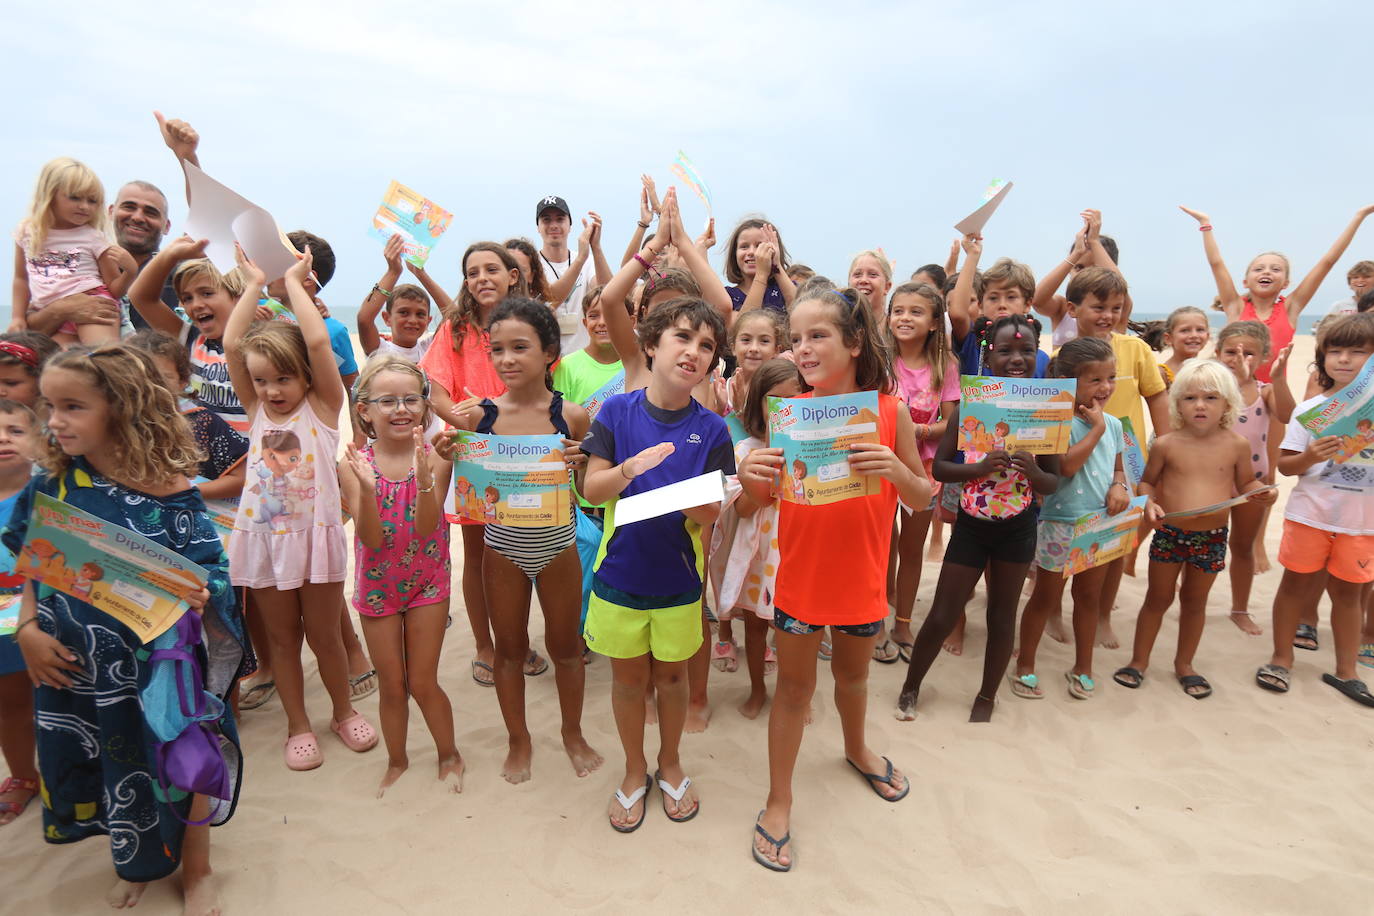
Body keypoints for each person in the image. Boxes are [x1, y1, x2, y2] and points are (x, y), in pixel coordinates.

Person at [4, 344, 247, 914]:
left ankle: (198, 871)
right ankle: (136, 861)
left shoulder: (170, 490)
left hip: (155, 671)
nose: (54, 421)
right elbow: (30, 564)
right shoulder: (52, 487)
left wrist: (202, 594)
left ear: (121, 408)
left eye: (72, 406)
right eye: (49, 406)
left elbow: (213, 577)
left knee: (178, 761)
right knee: (116, 769)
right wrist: (29, 630)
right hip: (73, 667)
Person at [739, 287, 929, 872]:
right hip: (801, 578)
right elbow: (754, 505)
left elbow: (921, 498)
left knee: (853, 678)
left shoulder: (890, 413)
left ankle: (856, 749)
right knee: (793, 691)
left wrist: (896, 467)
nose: (801, 349)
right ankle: (779, 798)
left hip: (864, 580)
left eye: (816, 336)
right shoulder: (789, 413)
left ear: (853, 341)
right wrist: (751, 472)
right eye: (795, 339)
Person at [580, 297, 732, 832]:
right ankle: (633, 768)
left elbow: (713, 508)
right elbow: (591, 488)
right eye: (682, 337)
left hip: (678, 581)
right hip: (620, 576)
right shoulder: (618, 412)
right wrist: (629, 468)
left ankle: (669, 762)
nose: (693, 351)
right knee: (627, 683)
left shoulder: (712, 430)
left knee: (673, 681)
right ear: (651, 345)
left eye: (706, 345)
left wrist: (677, 490)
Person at [224, 245, 378, 769]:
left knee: (327, 636)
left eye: (283, 379)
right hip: (264, 542)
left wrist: (291, 281)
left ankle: (341, 710)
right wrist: (250, 286)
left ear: (308, 379)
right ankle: (297, 724)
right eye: (262, 380)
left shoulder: (322, 409)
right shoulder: (256, 410)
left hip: (316, 539)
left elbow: (315, 339)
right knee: (284, 642)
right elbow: (230, 343)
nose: (272, 390)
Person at [445, 299, 602, 783]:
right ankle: (519, 739)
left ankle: (572, 733)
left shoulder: (571, 417)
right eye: (497, 350)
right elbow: (466, 482)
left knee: (566, 648)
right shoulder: (478, 419)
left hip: (558, 545)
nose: (506, 359)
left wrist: (582, 463)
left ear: (549, 351)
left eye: (520, 348)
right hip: (502, 550)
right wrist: (446, 454)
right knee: (508, 651)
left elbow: (586, 489)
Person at [897, 315, 1060, 724]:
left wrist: (1034, 473)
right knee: (942, 613)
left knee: (1002, 616)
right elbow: (941, 469)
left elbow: (1054, 480)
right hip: (971, 527)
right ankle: (912, 685)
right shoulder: (972, 406)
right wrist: (978, 469)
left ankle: (987, 696)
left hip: (1017, 529)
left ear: (1037, 354)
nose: (1016, 358)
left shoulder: (1046, 409)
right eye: (1005, 350)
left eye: (1025, 350)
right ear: (989, 356)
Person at [419, 241, 547, 685]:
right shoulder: (454, 328)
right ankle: (485, 645)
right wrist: (467, 420)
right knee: (479, 556)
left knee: (522, 553)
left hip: (527, 449)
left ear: (513, 274)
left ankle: (517, 641)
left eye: (491, 269)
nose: (481, 278)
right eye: (472, 272)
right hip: (476, 453)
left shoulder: (529, 320)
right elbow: (432, 387)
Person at [339, 356, 464, 796]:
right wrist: (369, 493)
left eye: (411, 399)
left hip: (428, 582)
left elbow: (429, 526)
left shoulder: (436, 457)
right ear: (364, 410)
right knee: (392, 685)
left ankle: (449, 753)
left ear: (426, 407)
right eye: (387, 400)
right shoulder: (353, 464)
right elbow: (371, 539)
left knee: (423, 681)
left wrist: (427, 477)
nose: (401, 409)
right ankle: (397, 759)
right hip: (378, 587)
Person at [1114, 360, 1275, 698]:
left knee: (1195, 601)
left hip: (1212, 537)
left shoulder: (1236, 445)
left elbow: (1246, 482)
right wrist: (1150, 504)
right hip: (1171, 534)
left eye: (1211, 398)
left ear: (1228, 404)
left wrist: (1261, 493)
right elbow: (1147, 483)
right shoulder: (1166, 444)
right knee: (1157, 598)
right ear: (1177, 404)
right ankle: (1139, 661)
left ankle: (1185, 664)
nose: (1200, 405)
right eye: (1190, 398)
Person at [1256, 313, 1374, 706]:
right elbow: (1285, 466)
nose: (1344, 359)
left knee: (1350, 595)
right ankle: (1281, 657)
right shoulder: (1312, 410)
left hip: (1362, 523)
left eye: (1357, 352)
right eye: (1334, 351)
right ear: (1321, 359)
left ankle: (1347, 671)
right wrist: (1309, 455)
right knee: (1295, 586)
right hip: (1311, 515)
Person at [1013, 338, 1128, 700]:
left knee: (1089, 598)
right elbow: (1064, 468)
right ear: (1067, 381)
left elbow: (1119, 465)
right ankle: (1026, 664)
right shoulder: (1058, 420)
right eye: (1094, 380)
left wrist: (1120, 486)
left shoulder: (1113, 424)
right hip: (1061, 522)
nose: (1105, 387)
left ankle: (1083, 665)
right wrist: (1093, 430)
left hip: (1100, 523)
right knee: (1045, 598)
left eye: (1110, 378)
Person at [1061, 267, 1169, 649]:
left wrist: (1165, 447)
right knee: (1068, 541)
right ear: (1074, 309)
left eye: (1116, 307)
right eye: (1098, 306)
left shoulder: (1136, 349)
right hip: (1076, 460)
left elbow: (1156, 396)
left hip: (1127, 461)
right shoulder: (1062, 356)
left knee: (1113, 546)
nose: (1107, 315)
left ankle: (1103, 616)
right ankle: (1057, 612)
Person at [1179, 203, 1374, 381]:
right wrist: (1205, 225)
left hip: (1273, 394)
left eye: (1275, 269)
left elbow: (1327, 262)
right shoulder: (1234, 305)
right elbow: (1216, 264)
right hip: (1232, 388)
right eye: (1259, 269)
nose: (1266, 272)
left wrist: (1360, 216)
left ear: (1286, 283)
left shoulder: (1291, 307)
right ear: (1246, 282)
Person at [709, 358, 803, 717]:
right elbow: (745, 509)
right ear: (759, 401)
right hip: (758, 555)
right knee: (755, 625)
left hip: (797, 551)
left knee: (795, 631)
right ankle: (757, 689)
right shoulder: (746, 449)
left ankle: (796, 697)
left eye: (797, 400)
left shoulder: (814, 447)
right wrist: (759, 477)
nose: (786, 410)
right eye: (776, 400)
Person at [882, 281, 959, 662]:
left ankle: (904, 622)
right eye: (898, 310)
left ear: (933, 322)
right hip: (878, 465)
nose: (904, 317)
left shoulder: (945, 366)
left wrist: (920, 431)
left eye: (915, 311)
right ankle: (878, 615)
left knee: (911, 548)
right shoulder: (877, 360)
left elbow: (953, 421)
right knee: (882, 545)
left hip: (923, 470)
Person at [708, 308, 788, 674]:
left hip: (767, 467)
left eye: (764, 340)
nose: (754, 348)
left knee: (766, 566)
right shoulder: (721, 385)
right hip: (736, 453)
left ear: (778, 346)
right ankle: (725, 629)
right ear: (732, 345)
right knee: (725, 554)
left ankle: (767, 632)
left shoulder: (789, 383)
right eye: (746, 339)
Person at [1213, 321, 1294, 634]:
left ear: (1264, 358)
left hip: (1252, 484)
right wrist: (1234, 384)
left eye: (1249, 352)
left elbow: (1288, 415)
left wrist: (1276, 378)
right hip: (1212, 482)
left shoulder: (1267, 392)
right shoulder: (1211, 392)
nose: (1239, 357)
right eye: (1231, 351)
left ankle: (1240, 608)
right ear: (1218, 354)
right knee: (1202, 542)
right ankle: (1192, 597)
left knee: (1243, 547)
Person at [11, 157, 133, 345]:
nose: (84, 206)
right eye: (75, 197)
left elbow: (114, 288)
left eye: (92, 201)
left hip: (93, 303)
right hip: (47, 311)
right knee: (57, 369)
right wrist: (18, 317)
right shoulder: (27, 232)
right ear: (49, 195)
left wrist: (130, 271)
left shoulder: (93, 237)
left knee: (103, 359)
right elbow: (21, 279)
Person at [127, 329, 249, 503]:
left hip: (196, 517)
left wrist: (180, 492)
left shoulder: (201, 421)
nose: (152, 385)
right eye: (141, 376)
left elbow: (241, 478)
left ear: (183, 381)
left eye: (163, 377)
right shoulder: (119, 422)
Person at [0, 399, 38, 827]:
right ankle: (24, 776)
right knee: (9, 706)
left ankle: (90, 769)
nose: (2, 439)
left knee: (72, 698)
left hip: (48, 617)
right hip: (1, 631)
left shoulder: (48, 491)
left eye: (14, 430)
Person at [946, 234, 1049, 377]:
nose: (1002, 305)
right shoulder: (973, 345)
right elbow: (957, 313)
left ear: (1027, 304)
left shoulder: (1042, 359)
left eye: (1011, 297)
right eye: (993, 298)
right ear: (980, 305)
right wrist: (972, 256)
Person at [1031, 209, 1128, 348]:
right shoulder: (1063, 307)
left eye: (1094, 267)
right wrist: (1076, 253)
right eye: (1079, 267)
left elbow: (1120, 286)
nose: (1085, 273)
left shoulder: (1116, 308)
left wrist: (1094, 241)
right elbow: (1038, 301)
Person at [535, 195, 611, 354]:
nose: (553, 225)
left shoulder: (587, 261)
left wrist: (596, 247)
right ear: (538, 227)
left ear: (570, 225)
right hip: (545, 360)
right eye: (546, 220)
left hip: (582, 358)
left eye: (560, 219)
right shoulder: (532, 265)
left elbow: (607, 292)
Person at [356, 234, 435, 362]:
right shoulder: (381, 351)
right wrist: (393, 271)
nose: (413, 320)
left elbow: (455, 318)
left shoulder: (428, 349)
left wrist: (421, 274)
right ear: (387, 318)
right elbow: (364, 319)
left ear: (428, 321)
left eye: (420, 314)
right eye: (404, 312)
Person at [723, 218, 796, 313]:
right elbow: (745, 325)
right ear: (734, 254)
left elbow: (802, 311)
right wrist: (761, 275)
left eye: (759, 245)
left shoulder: (783, 288)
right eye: (744, 246)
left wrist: (776, 265)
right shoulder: (728, 296)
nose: (751, 252)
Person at [1154, 306, 1212, 388]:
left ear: (1208, 336)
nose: (1194, 335)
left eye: (1200, 330)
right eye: (1185, 330)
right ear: (1168, 338)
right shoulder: (1162, 374)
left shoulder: (1209, 370)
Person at [848, 250, 894, 322]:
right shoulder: (839, 326)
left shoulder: (896, 329)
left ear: (887, 287)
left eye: (872, 274)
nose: (863, 280)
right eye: (857, 274)